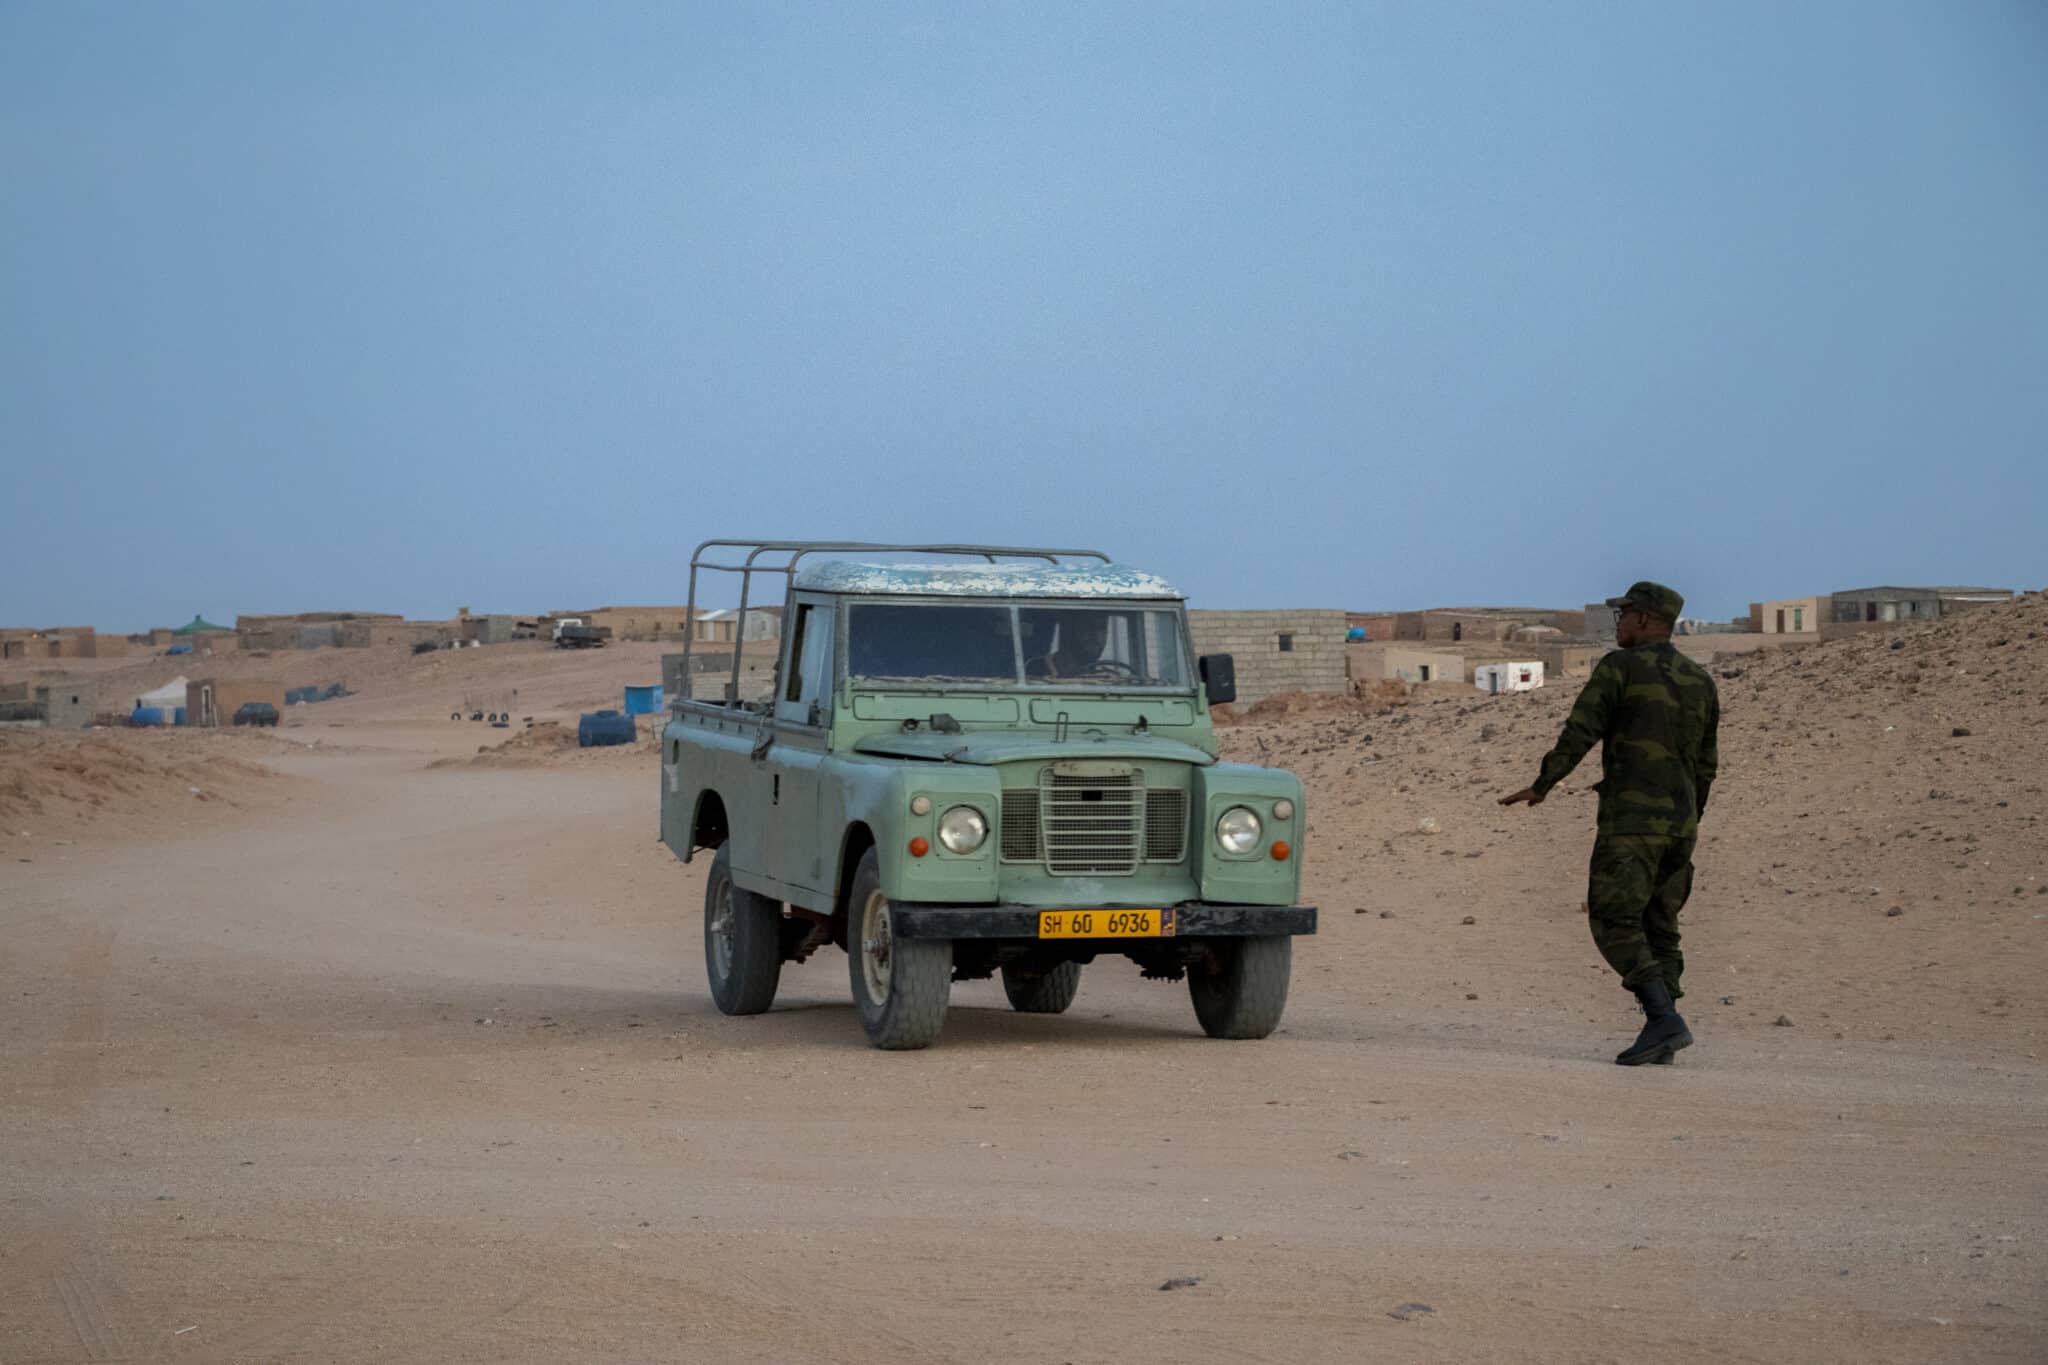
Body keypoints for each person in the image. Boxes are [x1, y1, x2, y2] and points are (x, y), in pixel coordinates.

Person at [1499, 581, 1720, 1066]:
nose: (1617, 623)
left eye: (1622, 615)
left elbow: (1581, 729)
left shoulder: (1620, 669)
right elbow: (1707, 765)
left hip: (1632, 823)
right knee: (1661, 925)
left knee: (1613, 918)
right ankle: (1662, 1029)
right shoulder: (1698, 680)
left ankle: (1664, 1019)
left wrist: (1544, 783)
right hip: (1681, 827)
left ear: (1642, 619)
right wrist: (1689, 818)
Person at [1028, 611, 1111, 678]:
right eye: (1087, 626)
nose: (1096, 634)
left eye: (1102, 627)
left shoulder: (1107, 677)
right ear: (1068, 630)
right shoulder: (1035, 671)